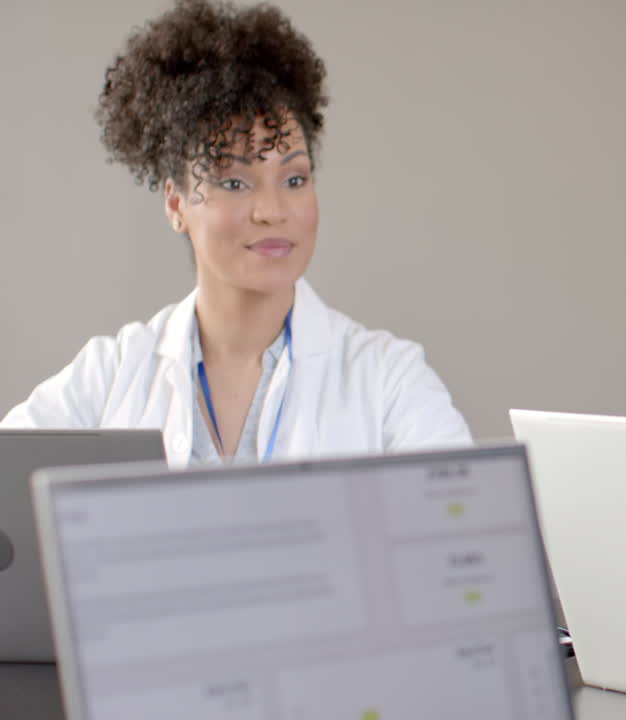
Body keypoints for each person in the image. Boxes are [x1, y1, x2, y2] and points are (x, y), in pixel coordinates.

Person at [1, 0, 471, 465]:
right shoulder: (110, 376)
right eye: (234, 183)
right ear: (176, 203)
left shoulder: (389, 379)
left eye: (294, 180)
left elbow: (463, 505)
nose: (272, 211)